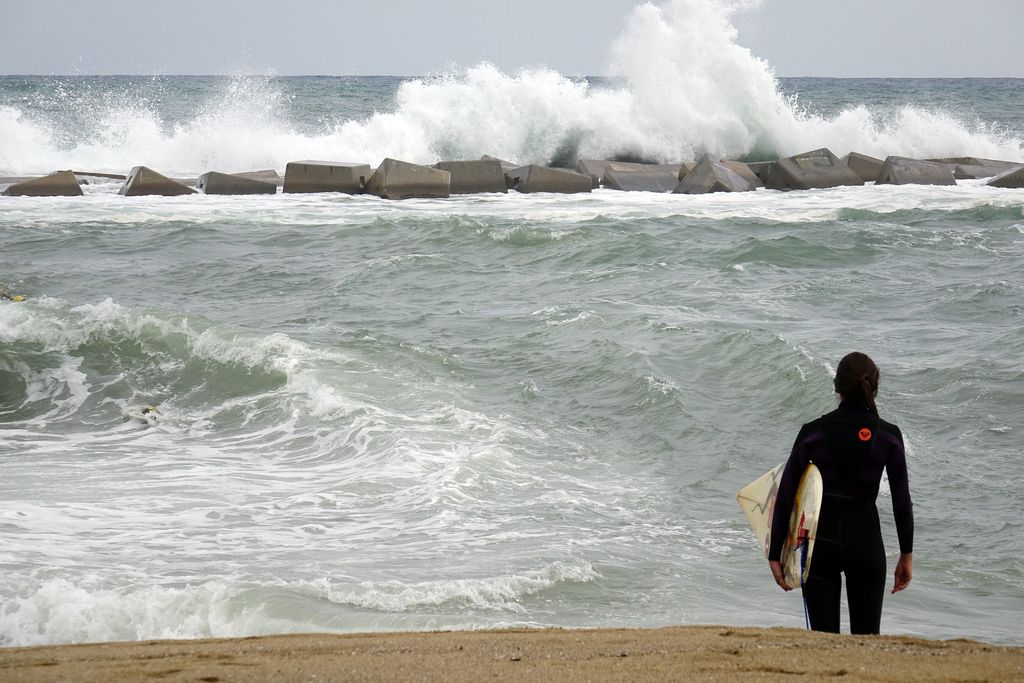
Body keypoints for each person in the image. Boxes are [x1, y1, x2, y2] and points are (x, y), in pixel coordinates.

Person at [768, 351, 913, 634]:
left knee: (823, 644)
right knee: (867, 642)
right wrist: (906, 555)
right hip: (867, 545)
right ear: (874, 386)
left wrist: (776, 553)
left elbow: (786, 494)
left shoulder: (813, 433)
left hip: (821, 547)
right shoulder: (888, 436)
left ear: (837, 387)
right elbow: (901, 501)